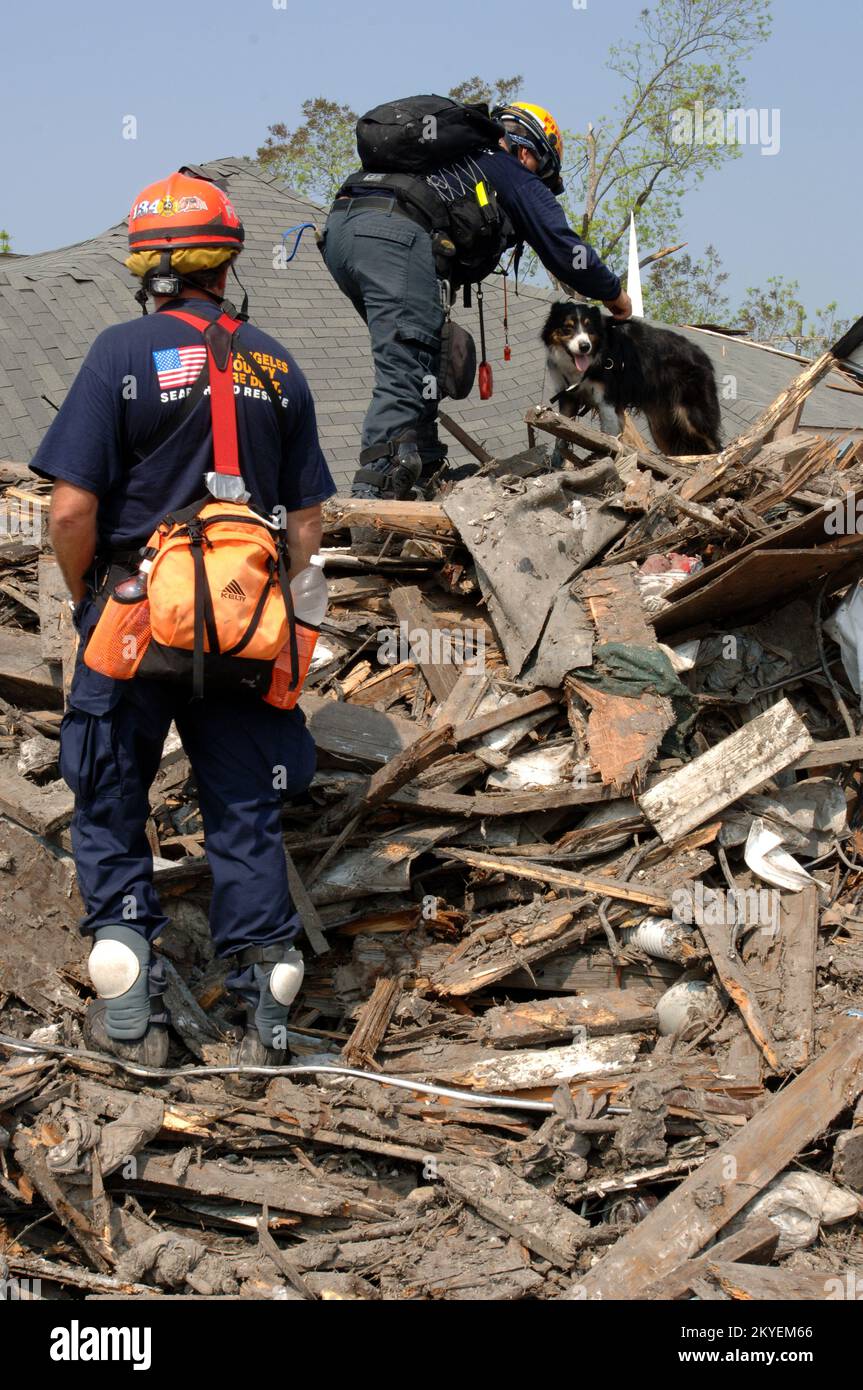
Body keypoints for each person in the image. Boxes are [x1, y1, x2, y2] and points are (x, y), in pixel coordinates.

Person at [30, 169, 336, 1079]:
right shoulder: (278, 365)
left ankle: (126, 978)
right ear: (225, 258)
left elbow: (69, 511)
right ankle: (266, 990)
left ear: (145, 263)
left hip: (131, 616)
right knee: (244, 805)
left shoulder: (120, 353)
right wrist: (251, 595)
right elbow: (310, 522)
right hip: (245, 630)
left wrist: (91, 595)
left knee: (110, 790)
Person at [321, 100, 632, 502]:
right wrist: (616, 296)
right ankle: (374, 489)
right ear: (526, 150)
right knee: (406, 364)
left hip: (342, 229)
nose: (537, 177)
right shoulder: (506, 167)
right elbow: (563, 247)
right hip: (393, 235)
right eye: (540, 168)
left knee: (421, 355)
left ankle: (423, 467)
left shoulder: (449, 160)